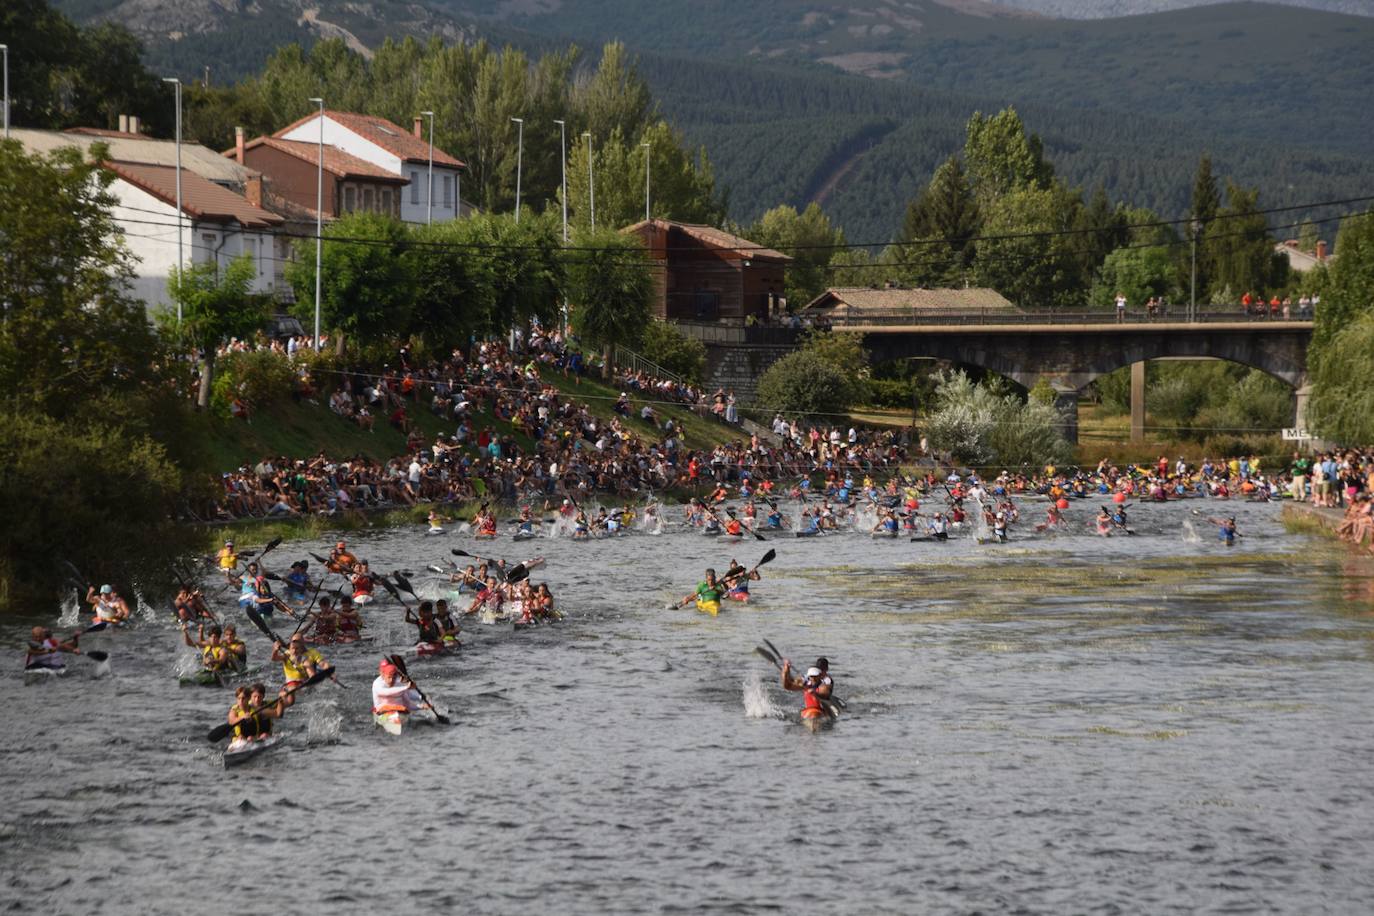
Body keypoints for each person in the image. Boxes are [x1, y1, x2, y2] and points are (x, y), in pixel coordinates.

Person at [272, 635, 331, 702]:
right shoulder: (287, 654)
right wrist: (275, 650)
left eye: (298, 643)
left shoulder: (312, 653)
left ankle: (311, 680)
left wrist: (329, 672)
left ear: (303, 643)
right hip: (291, 683)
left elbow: (323, 664)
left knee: (307, 663)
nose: (295, 650)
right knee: (287, 695)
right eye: (293, 645)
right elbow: (274, 658)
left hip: (306, 681)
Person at [779, 658, 830, 723]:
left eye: (815, 676)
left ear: (820, 676)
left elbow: (825, 694)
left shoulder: (824, 684)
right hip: (809, 711)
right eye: (811, 676)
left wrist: (815, 694)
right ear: (809, 677)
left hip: (820, 711)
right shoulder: (805, 685)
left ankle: (814, 723)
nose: (813, 678)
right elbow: (787, 686)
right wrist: (786, 670)